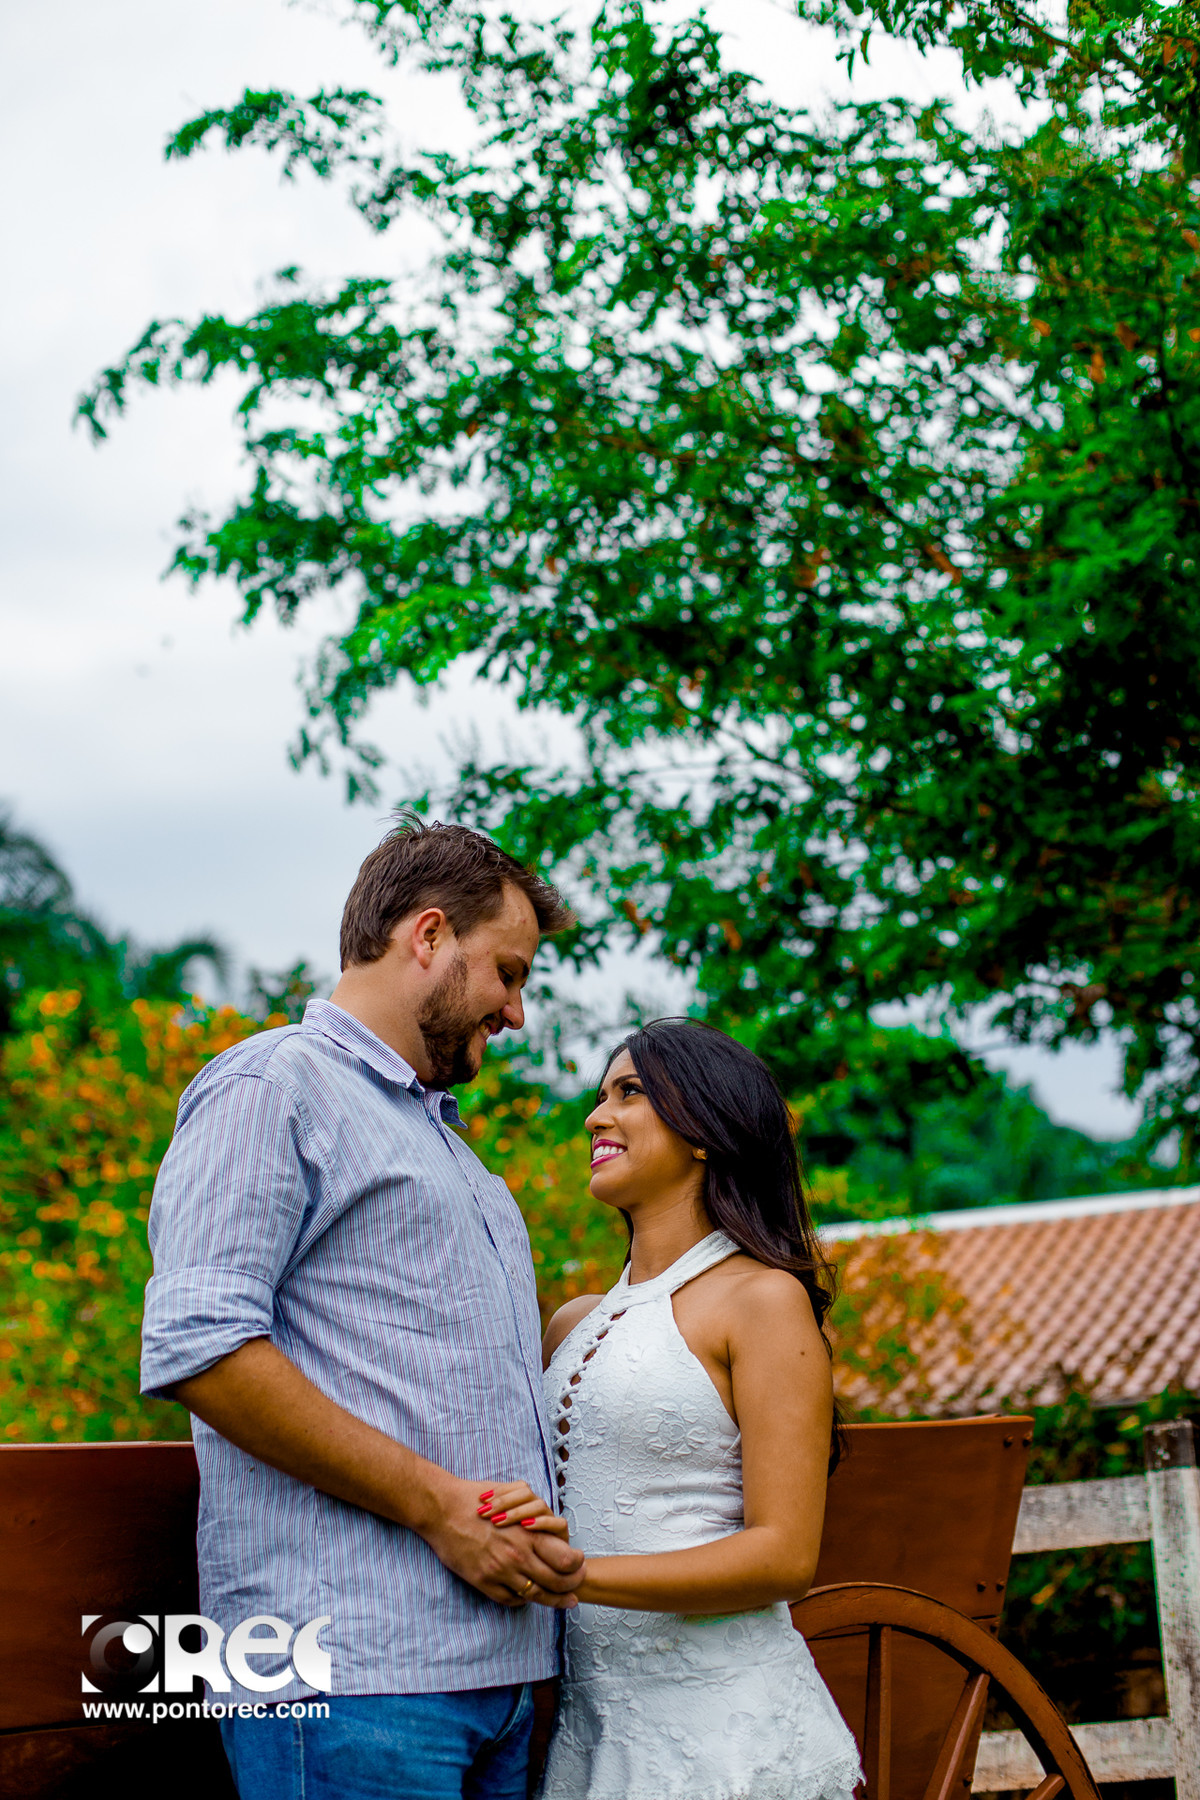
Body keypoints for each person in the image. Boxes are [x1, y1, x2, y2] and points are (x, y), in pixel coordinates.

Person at [140, 816, 586, 1800]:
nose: (517, 1011)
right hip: (351, 1678)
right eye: (508, 973)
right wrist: (440, 1508)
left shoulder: (445, 1147)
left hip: (494, 1676)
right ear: (427, 936)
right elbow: (200, 1348)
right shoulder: (272, 1087)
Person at [479, 1017, 862, 1800]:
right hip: (594, 1735)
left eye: (630, 1093)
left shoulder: (762, 1300)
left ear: (703, 1131)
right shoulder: (572, 1322)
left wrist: (578, 1576)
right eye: (598, 1097)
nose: (595, 1116)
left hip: (729, 1738)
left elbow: (785, 1555)